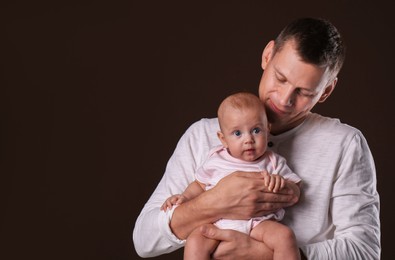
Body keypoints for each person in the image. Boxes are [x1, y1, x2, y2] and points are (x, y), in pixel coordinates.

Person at [133, 17, 381, 259]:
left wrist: (264, 254)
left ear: (326, 91)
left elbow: (365, 251)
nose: (285, 100)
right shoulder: (201, 136)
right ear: (267, 55)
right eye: (280, 78)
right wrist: (215, 201)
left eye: (304, 92)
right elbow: (144, 240)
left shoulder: (345, 144)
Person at [161, 92, 302, 260]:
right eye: (237, 133)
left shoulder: (273, 161)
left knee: (285, 236)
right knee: (195, 241)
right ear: (223, 139)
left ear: (267, 130)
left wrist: (282, 183)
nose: (248, 140)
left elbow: (296, 191)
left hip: (259, 224)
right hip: (218, 223)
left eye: (256, 130)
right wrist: (183, 198)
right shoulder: (216, 159)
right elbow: (199, 185)